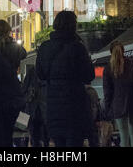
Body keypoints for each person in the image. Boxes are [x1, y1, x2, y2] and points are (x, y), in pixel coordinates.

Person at [36, 11, 95, 147]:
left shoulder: (44, 48)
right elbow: (89, 76)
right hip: (74, 107)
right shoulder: (77, 47)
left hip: (53, 107)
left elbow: (40, 75)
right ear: (73, 26)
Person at [103, 41, 133, 147]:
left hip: (118, 105)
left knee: (124, 135)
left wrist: (108, 109)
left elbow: (107, 92)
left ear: (111, 52)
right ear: (123, 51)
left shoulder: (108, 68)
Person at [22, 66, 49, 147]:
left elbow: (24, 89)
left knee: (36, 135)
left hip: (34, 109)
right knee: (42, 135)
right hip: (41, 109)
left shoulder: (32, 71)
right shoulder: (46, 71)